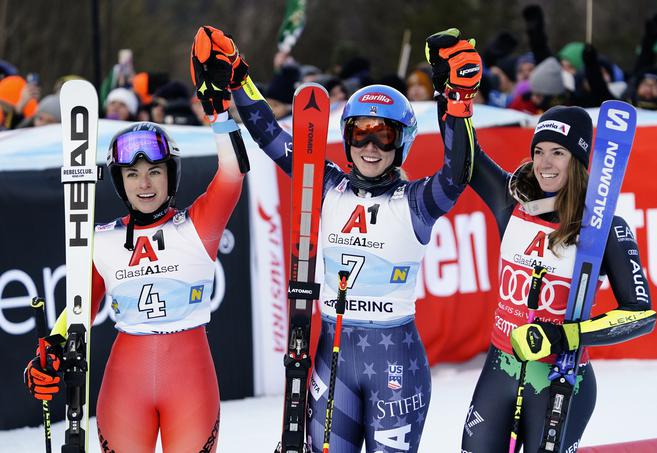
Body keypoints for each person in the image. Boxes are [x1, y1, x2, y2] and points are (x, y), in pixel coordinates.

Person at [189, 25, 480, 452]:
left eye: (384, 134)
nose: (371, 146)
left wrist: (457, 102)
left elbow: (457, 174)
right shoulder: (327, 186)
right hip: (332, 356)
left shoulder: (415, 201)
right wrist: (238, 78)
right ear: (346, 138)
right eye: (361, 133)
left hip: (394, 359)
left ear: (402, 143)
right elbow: (271, 137)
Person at [434, 33, 657, 452]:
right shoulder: (513, 201)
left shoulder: (606, 227)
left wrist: (563, 337)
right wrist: (451, 94)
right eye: (539, 151)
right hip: (500, 368)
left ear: (579, 160)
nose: (544, 163)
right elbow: (465, 159)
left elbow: (640, 316)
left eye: (558, 152)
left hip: (561, 379)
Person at [23, 81, 249, 451]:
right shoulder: (102, 239)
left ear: (170, 174)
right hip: (126, 384)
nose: (144, 184)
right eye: (132, 174)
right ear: (120, 181)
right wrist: (52, 348)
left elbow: (231, 174)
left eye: (154, 172)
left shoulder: (198, 226)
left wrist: (218, 113)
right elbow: (82, 305)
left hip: (190, 381)